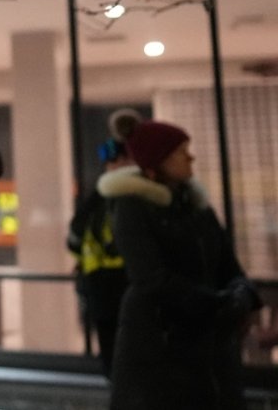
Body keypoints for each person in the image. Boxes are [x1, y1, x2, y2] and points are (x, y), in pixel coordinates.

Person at [98, 117, 260, 410]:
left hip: (210, 352)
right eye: (180, 151)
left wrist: (244, 295)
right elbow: (150, 278)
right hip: (159, 349)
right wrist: (220, 305)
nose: (190, 157)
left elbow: (227, 264)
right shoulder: (132, 208)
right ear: (157, 162)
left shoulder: (196, 207)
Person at [66, 108, 138, 376]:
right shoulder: (144, 196)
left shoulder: (98, 199)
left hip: (102, 294)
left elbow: (74, 239)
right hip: (129, 292)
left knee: (117, 369)